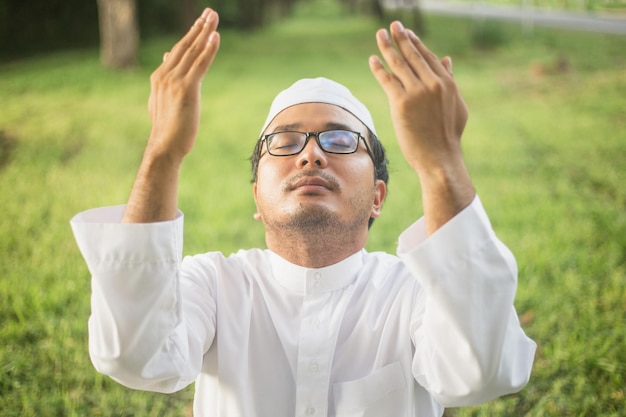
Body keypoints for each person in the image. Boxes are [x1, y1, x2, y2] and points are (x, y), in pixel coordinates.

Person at [71, 8, 536, 417]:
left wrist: (441, 162)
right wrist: (161, 152)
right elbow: (133, 356)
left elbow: (483, 371)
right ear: (257, 197)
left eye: (338, 140)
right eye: (285, 142)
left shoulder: (414, 294)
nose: (310, 156)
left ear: (378, 195)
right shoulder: (213, 286)